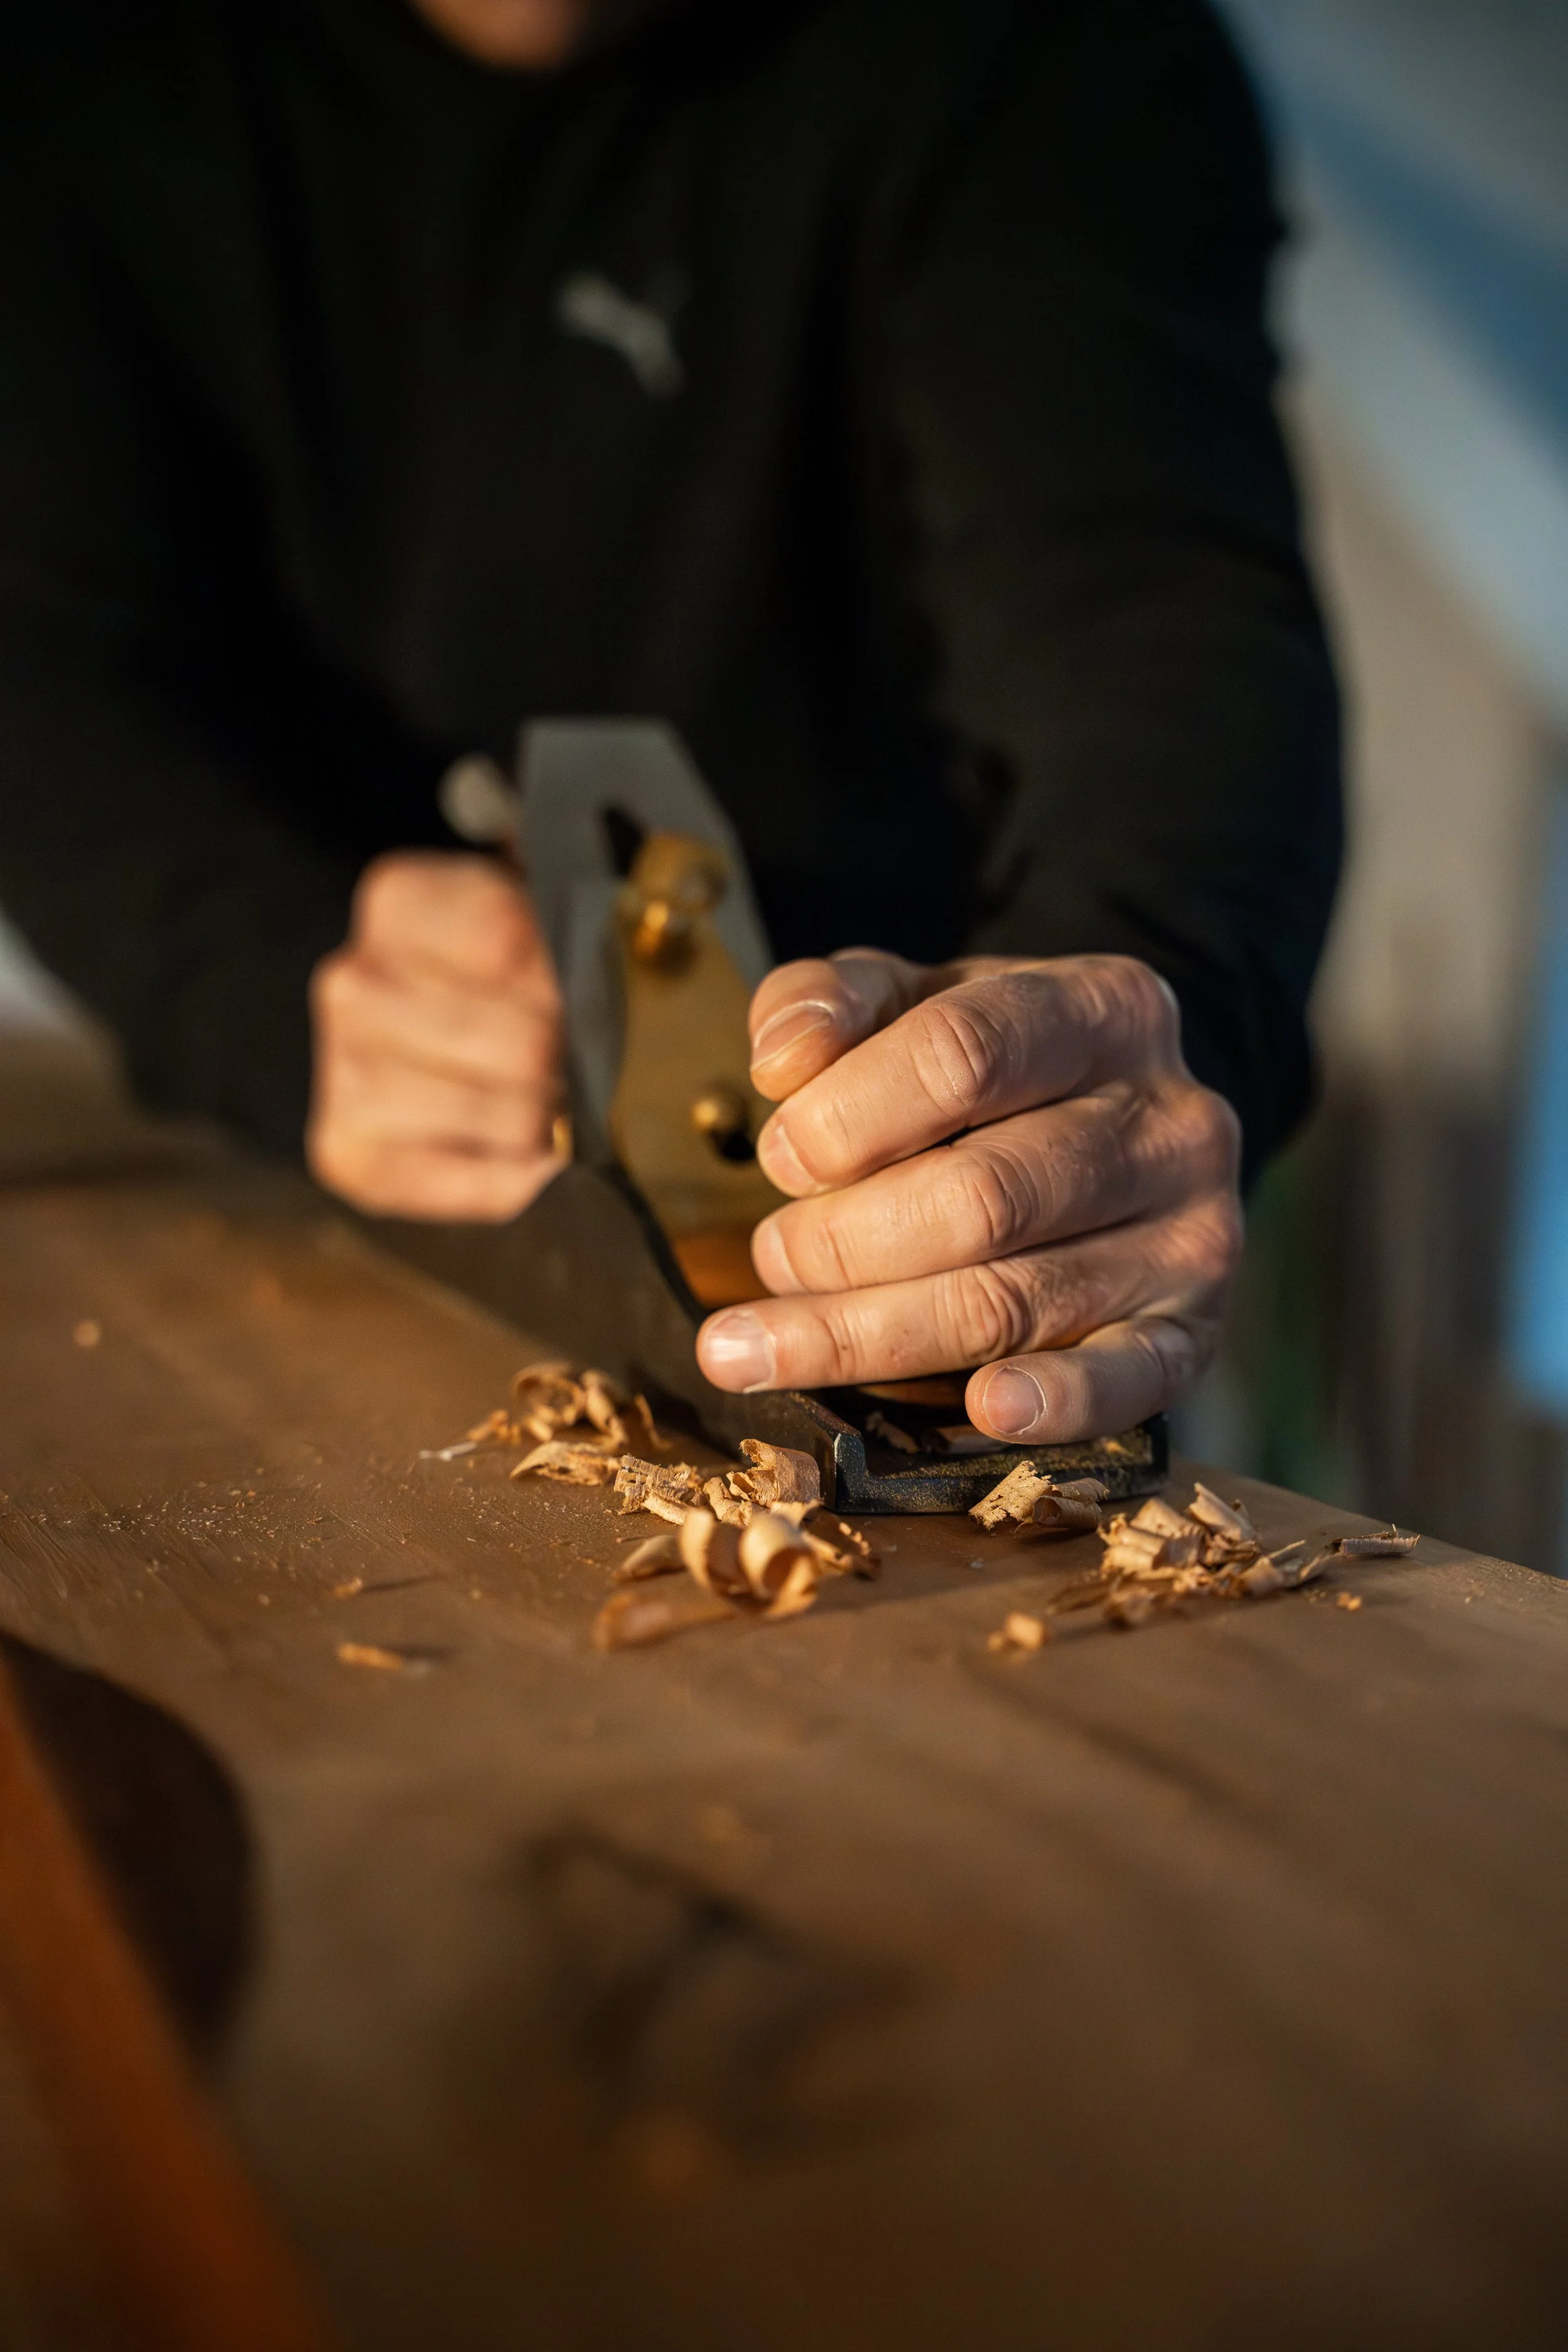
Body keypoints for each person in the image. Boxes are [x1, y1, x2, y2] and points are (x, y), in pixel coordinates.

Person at [0, 0, 1340, 1442]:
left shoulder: (1049, 54)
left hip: (948, 1276)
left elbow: (1148, 618)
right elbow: (48, 671)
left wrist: (1120, 1012)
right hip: (313, 1205)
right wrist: (263, 975)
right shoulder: (79, 77)